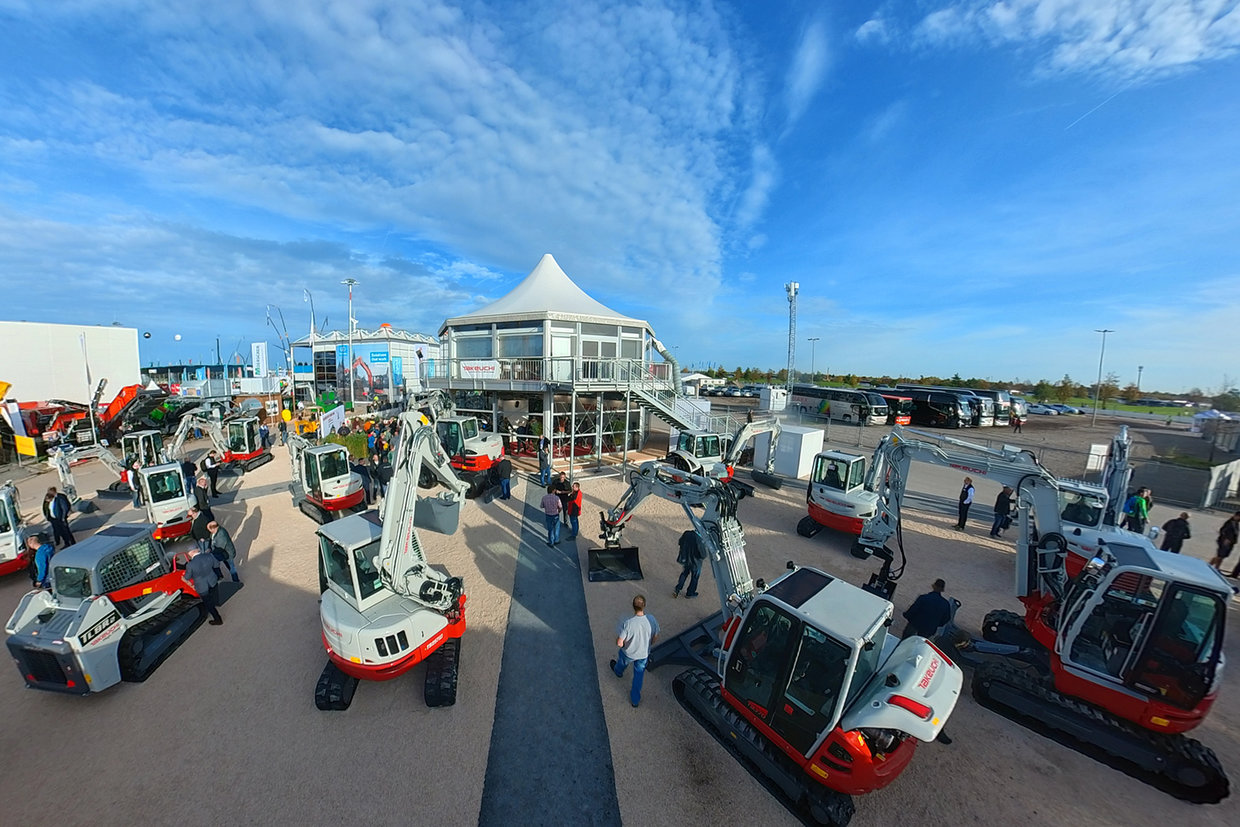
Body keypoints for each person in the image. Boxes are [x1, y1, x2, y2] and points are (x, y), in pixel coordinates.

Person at [610, 595, 660, 708]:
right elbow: (656, 635)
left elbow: (619, 642)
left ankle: (618, 672)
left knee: (622, 662)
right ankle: (635, 700)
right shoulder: (651, 619)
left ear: (633, 607)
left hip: (629, 652)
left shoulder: (629, 623)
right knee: (638, 675)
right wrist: (650, 643)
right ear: (644, 606)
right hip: (643, 654)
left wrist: (620, 643)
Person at [182, 546, 224, 625]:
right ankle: (215, 602)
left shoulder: (190, 565)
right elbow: (216, 565)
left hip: (202, 587)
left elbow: (187, 577)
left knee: (208, 604)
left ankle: (217, 619)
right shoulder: (209, 555)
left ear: (190, 553)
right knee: (213, 594)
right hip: (212, 580)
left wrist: (186, 580)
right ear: (197, 550)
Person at [672, 530, 705, 599]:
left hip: (686, 559)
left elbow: (680, 542)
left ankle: (678, 588)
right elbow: (703, 554)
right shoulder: (699, 539)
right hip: (696, 562)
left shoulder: (687, 533)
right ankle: (690, 593)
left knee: (684, 573)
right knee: (695, 577)